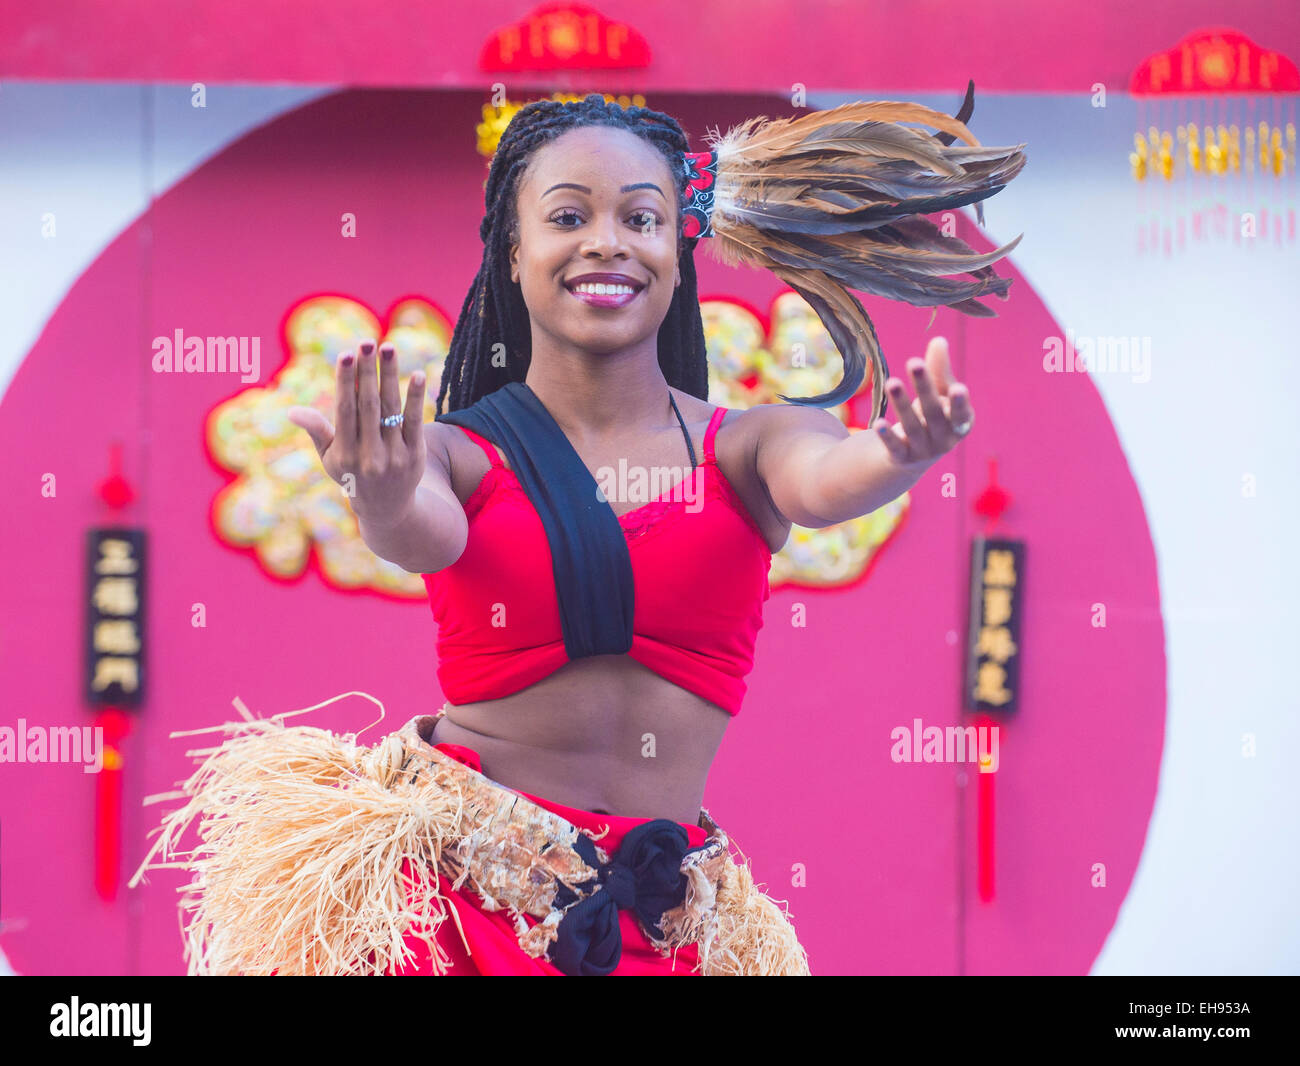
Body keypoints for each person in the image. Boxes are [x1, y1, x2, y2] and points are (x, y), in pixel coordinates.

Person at [139, 91, 1017, 976]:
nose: (607, 241)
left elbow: (831, 483)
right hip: (454, 910)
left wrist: (899, 456)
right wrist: (384, 489)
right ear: (514, 252)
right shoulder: (458, 452)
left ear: (678, 251)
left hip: (667, 913)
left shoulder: (751, 445)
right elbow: (421, 535)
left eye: (642, 217)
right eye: (568, 216)